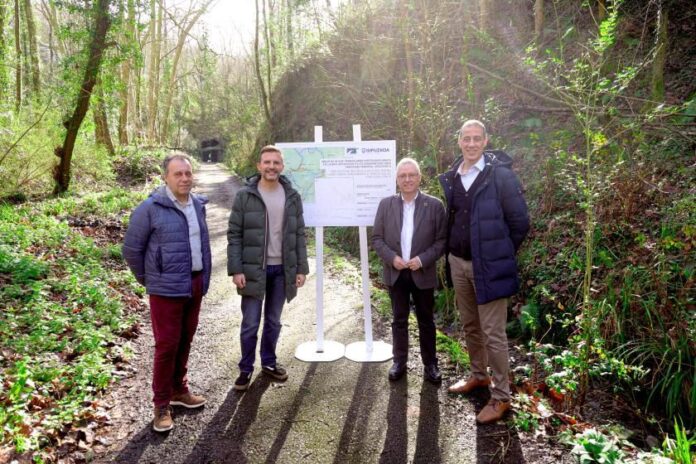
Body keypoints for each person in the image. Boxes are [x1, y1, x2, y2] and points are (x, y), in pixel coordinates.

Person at [439, 120, 530, 424]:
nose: (471, 143)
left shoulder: (500, 176)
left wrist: (498, 253)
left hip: (489, 266)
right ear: (459, 141)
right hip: (458, 263)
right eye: (466, 138)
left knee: (493, 333)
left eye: (477, 138)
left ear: (486, 141)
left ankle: (501, 397)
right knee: (470, 325)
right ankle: (479, 375)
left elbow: (520, 222)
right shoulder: (454, 175)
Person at [122, 152, 212, 432]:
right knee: (166, 346)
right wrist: (150, 280)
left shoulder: (197, 205)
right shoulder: (149, 208)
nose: (184, 178)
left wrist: (204, 277)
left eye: (188, 173)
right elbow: (131, 250)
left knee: (185, 340)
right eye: (178, 174)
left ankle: (178, 390)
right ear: (166, 177)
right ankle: (161, 404)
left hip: (194, 283)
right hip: (165, 290)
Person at [227, 145, 309, 391]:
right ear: (259, 166)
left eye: (276, 162)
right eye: (267, 162)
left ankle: (269, 363)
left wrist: (301, 268)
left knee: (273, 321)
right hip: (253, 269)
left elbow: (299, 234)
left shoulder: (292, 196)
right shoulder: (245, 196)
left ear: (281, 166)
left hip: (282, 270)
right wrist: (236, 269)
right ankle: (245, 369)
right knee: (250, 323)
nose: (271, 166)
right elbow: (234, 234)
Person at [372, 158, 447, 384]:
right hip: (396, 273)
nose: (407, 179)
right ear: (397, 179)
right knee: (399, 320)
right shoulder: (386, 205)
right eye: (402, 176)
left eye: (411, 175)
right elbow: (377, 239)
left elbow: (442, 241)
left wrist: (422, 259)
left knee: (426, 321)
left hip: (422, 272)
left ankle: (430, 364)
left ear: (419, 177)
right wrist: (392, 258)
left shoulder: (434, 205)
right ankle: (399, 362)